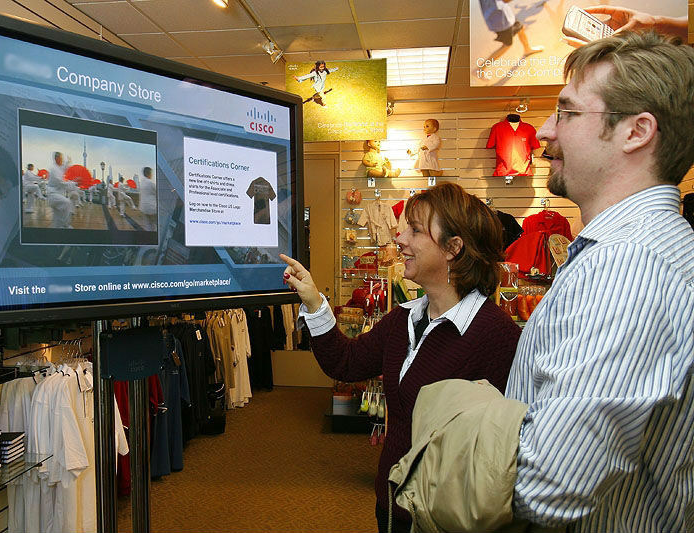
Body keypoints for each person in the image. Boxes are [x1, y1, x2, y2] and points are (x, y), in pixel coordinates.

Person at [504, 31, 694, 531]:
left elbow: (548, 488)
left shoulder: (628, 266)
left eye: (566, 112)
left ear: (636, 131)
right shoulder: (639, 251)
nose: (544, 131)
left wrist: (453, 429)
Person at [280, 182, 521, 533]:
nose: (400, 238)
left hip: (445, 517)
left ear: (453, 247)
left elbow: (511, 443)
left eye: (415, 230)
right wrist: (315, 302)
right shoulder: (404, 319)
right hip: (393, 505)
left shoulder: (495, 335)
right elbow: (346, 363)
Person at [47, 151, 73, 228]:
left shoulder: (59, 167)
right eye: (61, 158)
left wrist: (69, 162)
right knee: (67, 203)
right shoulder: (53, 169)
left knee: (57, 216)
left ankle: (57, 228)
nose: (62, 160)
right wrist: (74, 183)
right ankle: (66, 225)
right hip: (53, 195)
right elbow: (60, 182)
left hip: (58, 194)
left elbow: (65, 167)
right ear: (56, 158)